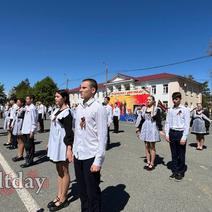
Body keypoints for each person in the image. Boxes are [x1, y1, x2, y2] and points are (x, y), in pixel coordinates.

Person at [73, 78, 107, 212]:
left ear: (93, 90)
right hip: (78, 155)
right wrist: (73, 150)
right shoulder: (79, 107)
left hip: (91, 156)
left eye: (83, 88)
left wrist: (98, 160)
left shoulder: (98, 108)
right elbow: (78, 132)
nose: (80, 90)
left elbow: (103, 136)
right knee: (82, 190)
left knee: (92, 191)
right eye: (80, 87)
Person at [47, 90, 74, 211]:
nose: (55, 98)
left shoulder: (67, 113)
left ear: (64, 98)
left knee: (64, 171)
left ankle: (64, 198)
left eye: (58, 96)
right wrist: (49, 143)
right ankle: (59, 195)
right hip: (55, 145)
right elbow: (53, 129)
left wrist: (69, 148)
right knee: (59, 171)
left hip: (62, 146)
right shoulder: (56, 110)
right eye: (55, 96)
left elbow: (69, 133)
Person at [165, 92, 190, 181]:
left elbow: (187, 124)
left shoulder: (185, 109)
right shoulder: (170, 109)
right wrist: (167, 134)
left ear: (180, 99)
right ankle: (175, 171)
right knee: (174, 154)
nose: (174, 101)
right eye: (173, 99)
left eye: (176, 99)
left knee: (181, 154)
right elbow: (167, 122)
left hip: (180, 133)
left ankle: (181, 171)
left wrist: (184, 137)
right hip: (172, 133)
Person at [135, 95, 163, 171]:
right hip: (145, 127)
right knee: (146, 145)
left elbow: (158, 120)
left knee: (152, 146)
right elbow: (141, 120)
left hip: (152, 127)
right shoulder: (144, 109)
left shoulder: (156, 109)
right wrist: (138, 128)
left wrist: (160, 130)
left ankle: (152, 163)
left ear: (153, 101)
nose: (148, 101)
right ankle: (148, 161)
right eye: (147, 100)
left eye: (150, 100)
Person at [20, 95, 38, 168]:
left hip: (29, 130)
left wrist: (32, 131)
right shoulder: (27, 107)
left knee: (29, 146)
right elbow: (24, 110)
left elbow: (34, 120)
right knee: (27, 146)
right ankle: (28, 160)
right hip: (25, 129)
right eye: (26, 99)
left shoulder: (32, 108)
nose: (26, 100)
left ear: (32, 100)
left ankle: (29, 161)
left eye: (27, 99)